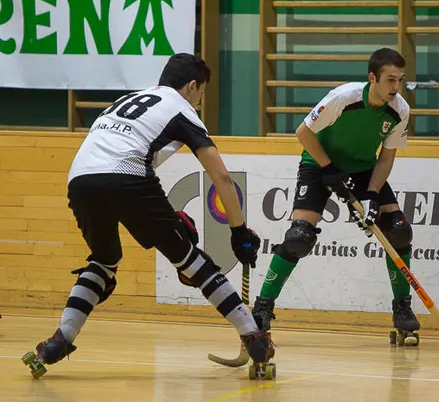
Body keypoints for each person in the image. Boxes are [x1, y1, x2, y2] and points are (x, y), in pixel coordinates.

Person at [22, 54, 273, 378]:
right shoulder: (182, 110)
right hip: (127, 176)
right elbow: (222, 178)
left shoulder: (128, 99)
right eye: (201, 93)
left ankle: (56, 343)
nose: (199, 100)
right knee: (189, 258)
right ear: (193, 85)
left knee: (103, 260)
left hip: (80, 179)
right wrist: (238, 231)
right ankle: (253, 337)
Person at [250, 48, 421, 346]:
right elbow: (303, 133)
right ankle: (263, 307)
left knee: (398, 230)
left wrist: (370, 195)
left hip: (364, 169)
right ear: (373, 78)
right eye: (390, 80)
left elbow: (385, 159)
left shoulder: (400, 111)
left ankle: (402, 308)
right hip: (318, 163)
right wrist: (328, 169)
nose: (396, 87)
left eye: (400, 80)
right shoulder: (345, 98)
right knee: (298, 237)